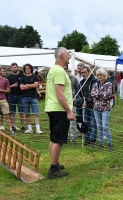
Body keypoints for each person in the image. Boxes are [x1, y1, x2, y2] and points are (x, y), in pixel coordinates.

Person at [45, 47, 75, 178]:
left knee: (54, 137)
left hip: (53, 108)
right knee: (58, 139)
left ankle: (54, 163)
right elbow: (59, 93)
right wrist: (68, 111)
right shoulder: (59, 71)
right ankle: (53, 169)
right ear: (62, 55)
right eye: (68, 54)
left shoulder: (53, 69)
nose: (70, 56)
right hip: (59, 109)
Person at [91, 68, 113, 150]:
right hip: (96, 107)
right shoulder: (95, 84)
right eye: (98, 75)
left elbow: (108, 95)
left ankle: (110, 144)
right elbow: (92, 95)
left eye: (101, 74)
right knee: (99, 126)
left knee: (105, 126)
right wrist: (101, 94)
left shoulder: (109, 83)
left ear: (104, 75)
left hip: (105, 107)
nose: (99, 76)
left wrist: (98, 95)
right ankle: (101, 143)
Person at [20, 64, 43, 134]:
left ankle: (38, 129)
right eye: (26, 68)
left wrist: (26, 85)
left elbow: (36, 85)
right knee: (27, 114)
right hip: (25, 98)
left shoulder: (35, 77)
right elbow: (21, 87)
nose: (27, 69)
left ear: (31, 69)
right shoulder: (22, 78)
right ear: (24, 70)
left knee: (35, 113)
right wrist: (31, 86)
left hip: (33, 97)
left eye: (28, 68)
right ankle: (29, 129)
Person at [79, 65, 98, 145]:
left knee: (93, 123)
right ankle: (87, 139)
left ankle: (92, 140)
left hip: (93, 105)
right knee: (86, 123)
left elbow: (95, 94)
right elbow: (79, 94)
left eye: (85, 72)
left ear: (89, 72)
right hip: (84, 106)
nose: (83, 74)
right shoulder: (81, 82)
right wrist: (82, 102)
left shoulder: (94, 80)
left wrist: (88, 102)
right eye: (81, 73)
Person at [7, 62, 25, 131]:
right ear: (11, 69)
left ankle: (22, 126)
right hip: (11, 96)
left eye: (15, 67)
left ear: (17, 68)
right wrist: (12, 86)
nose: (14, 68)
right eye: (12, 67)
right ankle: (13, 126)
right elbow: (7, 86)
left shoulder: (22, 76)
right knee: (12, 112)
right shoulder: (9, 77)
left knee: (21, 112)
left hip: (20, 95)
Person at [64, 65, 80, 146]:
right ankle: (65, 138)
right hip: (61, 104)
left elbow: (77, 90)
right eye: (62, 68)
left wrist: (75, 98)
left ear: (68, 69)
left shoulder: (73, 79)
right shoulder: (58, 78)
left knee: (72, 123)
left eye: (65, 68)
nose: (64, 70)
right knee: (63, 122)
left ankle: (73, 139)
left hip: (72, 104)